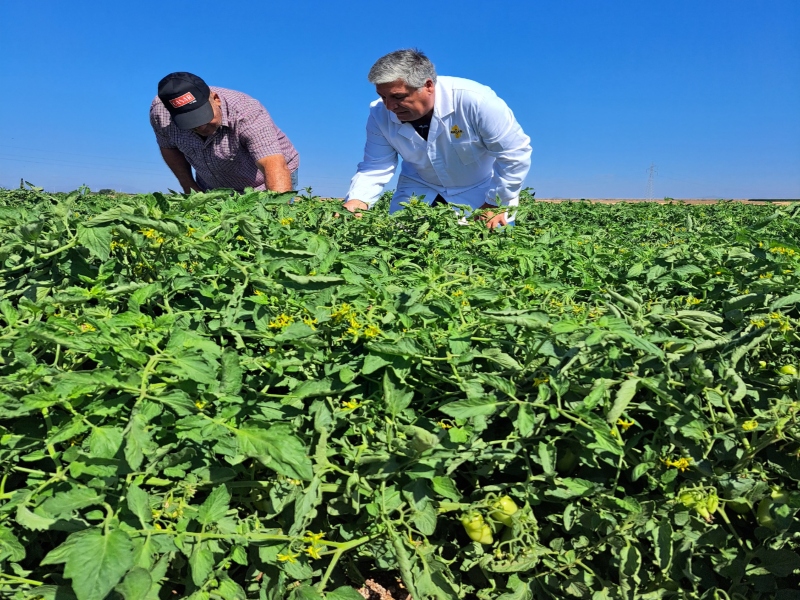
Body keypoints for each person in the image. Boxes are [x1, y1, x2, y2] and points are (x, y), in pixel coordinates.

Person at [342, 49, 531, 228]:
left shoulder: (475, 101)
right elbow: (376, 165)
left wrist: (495, 204)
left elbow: (515, 153)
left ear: (428, 86)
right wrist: (358, 199)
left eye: (397, 97)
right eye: (383, 97)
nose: (390, 106)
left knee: (492, 249)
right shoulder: (379, 114)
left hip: (480, 189)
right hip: (419, 188)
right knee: (403, 247)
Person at [150, 72, 299, 194]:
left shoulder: (246, 111)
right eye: (190, 122)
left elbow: (272, 164)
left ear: (216, 99)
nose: (201, 127)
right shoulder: (161, 113)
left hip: (265, 181)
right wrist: (190, 188)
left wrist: (278, 216)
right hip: (212, 185)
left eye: (204, 116)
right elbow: (169, 149)